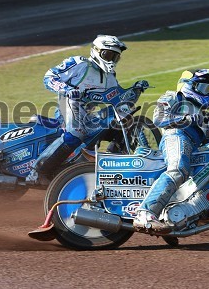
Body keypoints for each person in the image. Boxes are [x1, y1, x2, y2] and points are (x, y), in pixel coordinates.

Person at [25, 34, 144, 185]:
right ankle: (36, 172)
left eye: (115, 57)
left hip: (87, 114)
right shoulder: (80, 64)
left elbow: (118, 100)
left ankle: (111, 172)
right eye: (108, 55)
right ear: (96, 51)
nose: (111, 60)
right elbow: (49, 77)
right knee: (76, 133)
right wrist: (67, 89)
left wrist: (136, 90)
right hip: (68, 103)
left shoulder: (110, 76)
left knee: (118, 124)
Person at [133, 69, 209, 234]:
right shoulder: (174, 97)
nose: (207, 93)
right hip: (176, 136)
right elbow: (159, 119)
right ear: (189, 85)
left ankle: (177, 217)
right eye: (204, 88)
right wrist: (185, 119)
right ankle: (145, 213)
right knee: (177, 171)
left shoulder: (201, 112)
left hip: (194, 147)